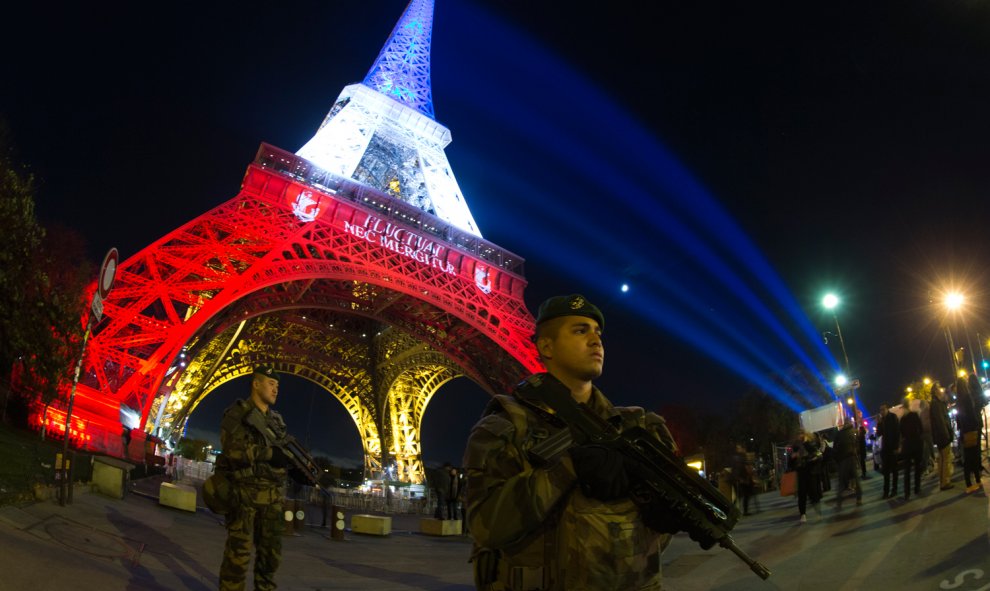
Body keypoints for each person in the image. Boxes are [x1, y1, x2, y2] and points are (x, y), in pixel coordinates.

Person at [463, 294, 675, 590]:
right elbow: (486, 525)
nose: (595, 340)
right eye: (580, 330)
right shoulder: (505, 426)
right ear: (546, 346)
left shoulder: (639, 426)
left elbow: (659, 533)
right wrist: (567, 468)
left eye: (597, 332)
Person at [216, 365, 291, 591]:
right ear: (256, 384)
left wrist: (292, 465)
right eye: (271, 384)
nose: (276, 389)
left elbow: (283, 452)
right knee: (237, 561)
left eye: (277, 386)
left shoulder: (277, 420)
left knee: (271, 560)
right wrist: (268, 454)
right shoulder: (237, 413)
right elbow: (231, 451)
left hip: (272, 499)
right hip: (244, 498)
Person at [957, 376, 983, 493]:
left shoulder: (958, 400)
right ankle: (976, 481)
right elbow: (972, 414)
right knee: (974, 455)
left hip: (964, 432)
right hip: (972, 430)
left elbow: (959, 418)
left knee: (968, 458)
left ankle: (971, 483)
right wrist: (976, 425)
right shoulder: (967, 398)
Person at [790, 430, 823, 523]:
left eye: (801, 434)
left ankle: (818, 513)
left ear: (804, 435)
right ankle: (803, 514)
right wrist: (793, 458)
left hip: (810, 472)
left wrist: (805, 444)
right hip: (801, 473)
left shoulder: (810, 443)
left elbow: (818, 455)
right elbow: (791, 462)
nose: (799, 437)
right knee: (802, 494)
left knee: (813, 493)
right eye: (798, 435)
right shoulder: (795, 447)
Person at [929, 381, 954, 490]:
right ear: (935, 391)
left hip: (942, 435)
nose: (941, 390)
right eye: (939, 388)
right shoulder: (935, 404)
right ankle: (945, 482)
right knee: (945, 459)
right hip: (942, 436)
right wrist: (946, 435)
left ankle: (944, 481)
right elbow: (940, 421)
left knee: (943, 458)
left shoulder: (937, 403)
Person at [833, 420, 861, 510]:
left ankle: (839, 502)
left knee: (841, 482)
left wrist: (837, 460)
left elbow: (834, 448)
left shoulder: (839, 434)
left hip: (842, 460)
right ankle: (859, 499)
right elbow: (856, 444)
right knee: (856, 480)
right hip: (851, 458)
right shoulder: (853, 432)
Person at [899, 401, 923, 500]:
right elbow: (921, 428)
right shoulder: (914, 415)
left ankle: (907, 492)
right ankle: (917, 488)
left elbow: (901, 433)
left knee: (907, 470)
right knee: (917, 468)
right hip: (916, 444)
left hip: (908, 446)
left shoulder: (902, 419)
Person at [877, 404, 901, 499]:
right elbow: (879, 433)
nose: (882, 411)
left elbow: (897, 431)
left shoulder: (893, 417)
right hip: (885, 449)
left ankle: (894, 490)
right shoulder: (882, 420)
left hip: (892, 448)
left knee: (894, 470)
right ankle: (886, 491)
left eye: (883, 409)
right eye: (880, 410)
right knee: (886, 472)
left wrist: (897, 446)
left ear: (887, 409)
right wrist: (878, 423)